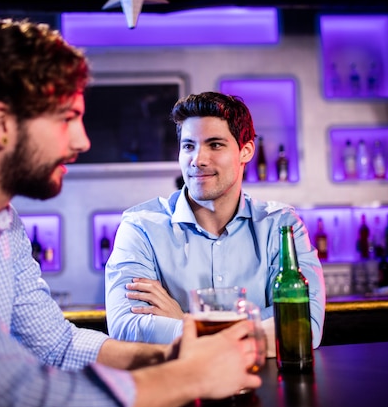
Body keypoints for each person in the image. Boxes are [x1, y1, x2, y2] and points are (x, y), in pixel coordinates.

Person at [0, 20, 262, 407]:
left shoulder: (3, 223)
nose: (82, 140)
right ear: (1, 124)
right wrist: (189, 376)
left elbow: (58, 345)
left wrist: (172, 353)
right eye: (67, 118)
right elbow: (11, 395)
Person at [105, 91, 326, 352]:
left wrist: (187, 324)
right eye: (188, 146)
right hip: (179, 391)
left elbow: (303, 327)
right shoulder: (140, 227)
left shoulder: (281, 226)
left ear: (246, 151)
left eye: (215, 144)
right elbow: (126, 327)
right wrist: (248, 331)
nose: (198, 160)